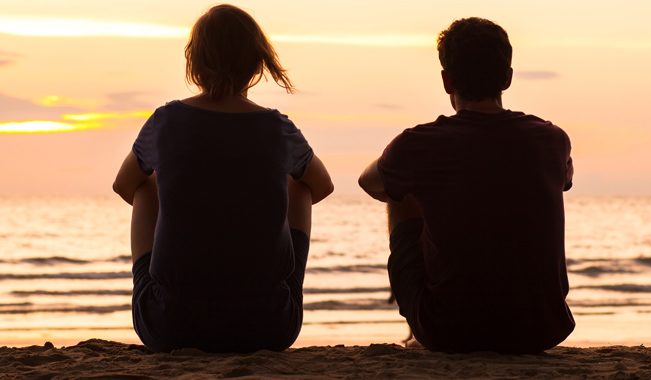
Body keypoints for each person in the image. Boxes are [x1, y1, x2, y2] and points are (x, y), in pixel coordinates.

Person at [113, 4, 333, 353]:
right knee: (299, 185)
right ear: (256, 64)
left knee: (146, 185)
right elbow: (321, 185)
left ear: (194, 63)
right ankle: (279, 291)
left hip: (170, 326)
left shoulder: (166, 121)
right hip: (269, 326)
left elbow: (124, 185)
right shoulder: (278, 129)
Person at [358, 17, 574, 354]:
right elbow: (563, 181)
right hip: (542, 328)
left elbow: (370, 183)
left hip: (450, 331)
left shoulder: (419, 144)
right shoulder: (551, 138)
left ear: (447, 81)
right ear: (507, 77)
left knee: (399, 188)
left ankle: (416, 330)